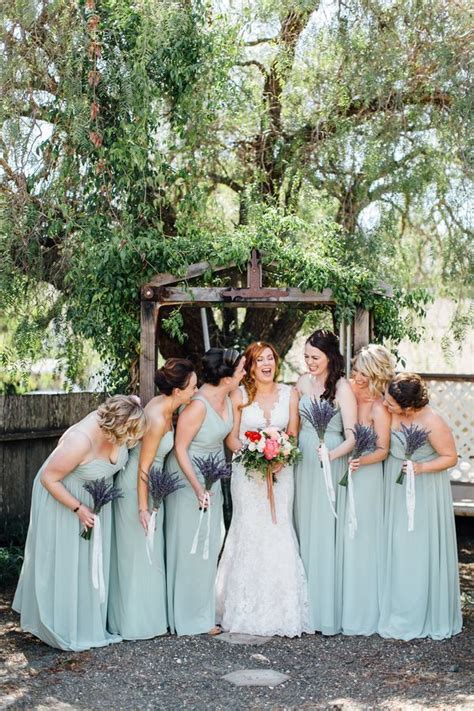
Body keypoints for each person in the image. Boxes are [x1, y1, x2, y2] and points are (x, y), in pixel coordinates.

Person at [12, 396, 146, 651]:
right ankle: (62, 623)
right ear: (115, 427)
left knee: (88, 561)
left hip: (93, 499)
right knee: (68, 559)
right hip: (63, 497)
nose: (135, 440)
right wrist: (78, 508)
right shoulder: (80, 442)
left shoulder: (122, 414)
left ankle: (87, 620)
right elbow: (49, 479)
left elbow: (131, 402)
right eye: (130, 434)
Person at [216, 342, 310, 637]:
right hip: (247, 474)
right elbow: (230, 438)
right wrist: (251, 455)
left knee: (278, 527)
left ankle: (283, 608)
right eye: (259, 360)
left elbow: (292, 432)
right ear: (251, 367)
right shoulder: (239, 395)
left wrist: (280, 457)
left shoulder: (290, 393)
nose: (266, 364)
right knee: (249, 530)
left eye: (270, 358)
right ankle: (243, 606)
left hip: (283, 473)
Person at [108, 359, 197, 640]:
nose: (195, 391)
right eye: (192, 387)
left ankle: (150, 619)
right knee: (136, 554)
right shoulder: (158, 417)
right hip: (138, 487)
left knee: (149, 553)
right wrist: (143, 508)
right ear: (177, 390)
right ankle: (134, 624)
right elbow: (143, 467)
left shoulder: (169, 406)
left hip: (150, 484)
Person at [165, 348, 245, 636]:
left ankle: (201, 610)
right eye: (241, 370)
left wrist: (262, 451)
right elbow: (180, 448)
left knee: (211, 542)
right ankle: (188, 618)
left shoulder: (228, 396)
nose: (244, 374)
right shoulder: (197, 406)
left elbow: (232, 438)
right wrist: (198, 487)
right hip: (189, 479)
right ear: (226, 378)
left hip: (211, 475)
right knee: (191, 545)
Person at [379, 373, 462, 640]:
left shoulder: (431, 421)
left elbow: (450, 457)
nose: (386, 403)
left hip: (424, 490)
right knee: (396, 545)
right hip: (395, 485)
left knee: (415, 548)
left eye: (391, 402)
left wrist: (421, 467)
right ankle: (394, 609)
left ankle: (419, 613)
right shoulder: (391, 412)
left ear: (408, 406)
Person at [294, 329, 357, 635]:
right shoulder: (302, 382)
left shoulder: (343, 387)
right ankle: (300, 609)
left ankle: (322, 611)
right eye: (306, 357)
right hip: (302, 459)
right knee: (301, 526)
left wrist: (330, 458)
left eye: (315, 357)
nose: (310, 363)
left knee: (322, 531)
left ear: (330, 357)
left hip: (329, 460)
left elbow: (353, 437)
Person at [340, 344, 394, 635]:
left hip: (368, 476)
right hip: (345, 471)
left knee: (364, 537)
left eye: (362, 373)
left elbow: (383, 449)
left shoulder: (379, 408)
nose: (357, 377)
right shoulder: (347, 392)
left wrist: (361, 460)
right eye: (355, 371)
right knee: (345, 538)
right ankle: (344, 605)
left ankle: (365, 611)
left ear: (375, 375)